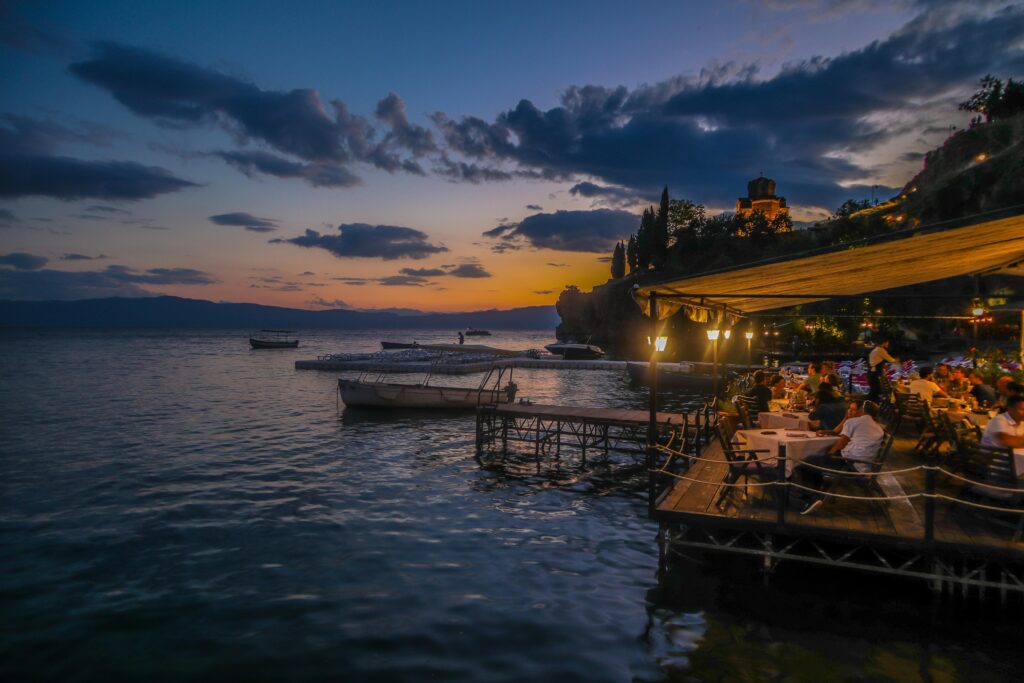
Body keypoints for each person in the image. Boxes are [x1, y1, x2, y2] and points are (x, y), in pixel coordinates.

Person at [797, 400, 885, 514]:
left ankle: (812, 498)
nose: (850, 411)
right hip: (863, 465)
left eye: (853, 409)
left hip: (850, 465)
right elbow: (839, 434)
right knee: (818, 459)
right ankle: (818, 494)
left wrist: (828, 455)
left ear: (861, 411)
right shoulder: (876, 426)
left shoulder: (854, 422)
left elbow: (840, 445)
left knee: (806, 462)